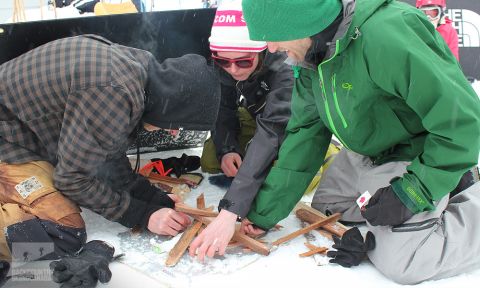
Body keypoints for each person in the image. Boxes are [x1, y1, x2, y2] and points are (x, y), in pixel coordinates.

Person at [239, 0, 480, 285]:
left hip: (418, 151)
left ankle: (451, 181)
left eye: (273, 35)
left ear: (303, 20)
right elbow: (305, 134)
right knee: (327, 207)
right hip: (371, 150)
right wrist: (262, 214)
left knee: (404, 260)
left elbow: (461, 121)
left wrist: (413, 192)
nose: (270, 48)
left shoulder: (387, 35)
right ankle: (428, 194)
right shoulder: (310, 55)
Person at [0, 34, 220, 264]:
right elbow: (72, 179)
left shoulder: (136, 73)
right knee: (63, 234)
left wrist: (149, 197)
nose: (174, 133)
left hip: (19, 131)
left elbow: (105, 154)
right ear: (173, 106)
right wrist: (142, 214)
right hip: (8, 142)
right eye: (179, 125)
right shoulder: (113, 89)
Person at [190, 0, 294, 261]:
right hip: (257, 113)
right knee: (212, 160)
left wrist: (230, 211)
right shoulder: (227, 60)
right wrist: (227, 149)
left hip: (289, 121)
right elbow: (223, 109)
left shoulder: (285, 69)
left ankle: (325, 152)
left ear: (261, 51)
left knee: (279, 169)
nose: (233, 69)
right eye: (223, 61)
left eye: (243, 62)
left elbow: (271, 133)